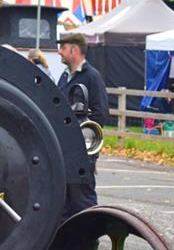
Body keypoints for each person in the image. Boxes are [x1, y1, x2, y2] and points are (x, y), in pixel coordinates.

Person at [56, 32, 109, 219]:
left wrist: (82, 136)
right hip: (63, 149)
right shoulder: (64, 78)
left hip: (81, 151)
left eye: (63, 48)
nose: (59, 52)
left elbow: (100, 113)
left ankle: (88, 239)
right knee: (62, 202)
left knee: (82, 202)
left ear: (75, 49)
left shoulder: (92, 77)